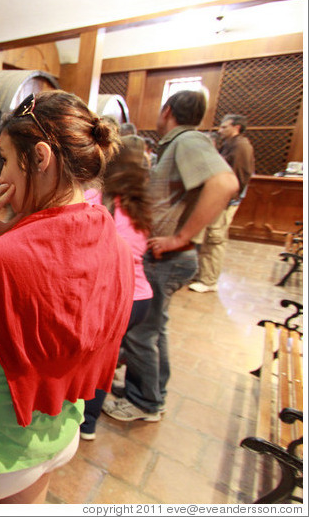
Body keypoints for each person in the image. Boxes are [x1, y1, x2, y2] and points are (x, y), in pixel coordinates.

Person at [0, 90, 135, 504]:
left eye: (4, 158)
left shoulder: (1, 258)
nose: (0, 176)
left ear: (40, 157)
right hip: (60, 426)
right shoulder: (110, 233)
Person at [103, 90, 238, 423]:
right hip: (168, 256)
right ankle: (149, 391)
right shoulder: (181, 143)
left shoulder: (188, 140)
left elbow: (224, 182)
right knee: (153, 330)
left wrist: (180, 237)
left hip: (168, 257)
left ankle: (145, 402)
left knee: (141, 333)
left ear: (166, 111)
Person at [80, 134, 154, 440]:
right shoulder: (138, 208)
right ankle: (89, 420)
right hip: (142, 297)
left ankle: (85, 422)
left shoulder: (96, 202)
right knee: (107, 360)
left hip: (116, 297)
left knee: (95, 362)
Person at [189, 114, 255, 293]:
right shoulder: (231, 145)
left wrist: (225, 198)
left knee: (215, 239)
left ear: (237, 127)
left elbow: (237, 177)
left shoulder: (241, 146)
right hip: (220, 199)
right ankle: (204, 274)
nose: (220, 130)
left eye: (225, 127)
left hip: (225, 200)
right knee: (209, 237)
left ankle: (209, 280)